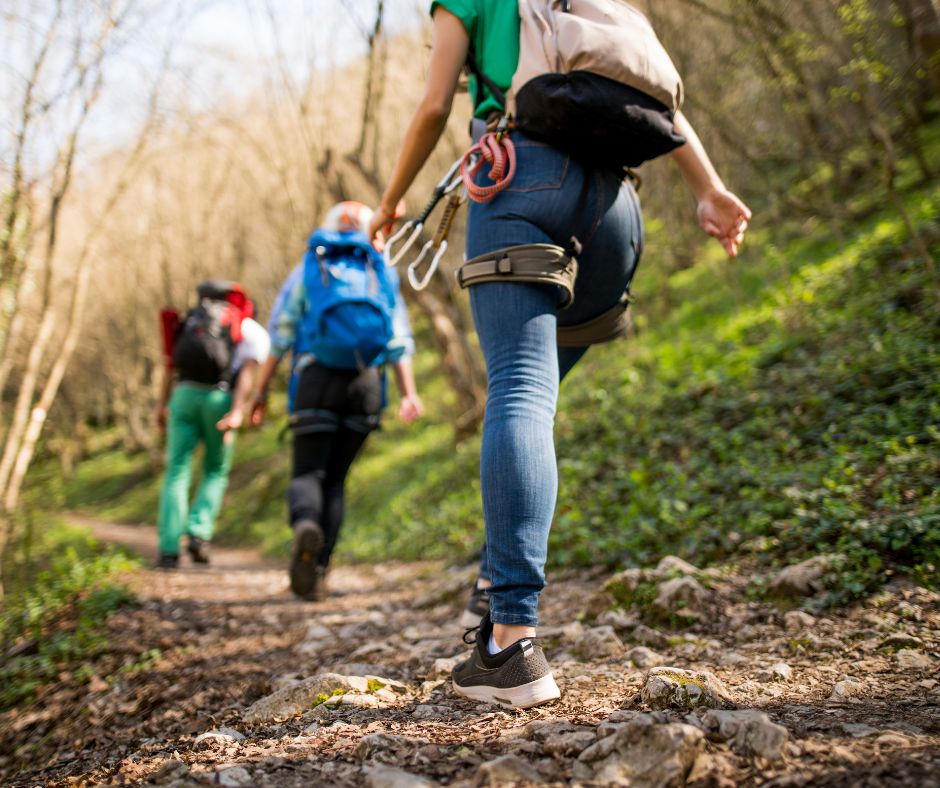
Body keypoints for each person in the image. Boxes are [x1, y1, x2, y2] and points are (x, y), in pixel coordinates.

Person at [368, 2, 751, 709]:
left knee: (519, 390)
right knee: (531, 394)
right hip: (616, 212)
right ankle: (494, 580)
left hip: (518, 179)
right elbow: (658, 92)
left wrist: (391, 202)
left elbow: (430, 107)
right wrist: (709, 187)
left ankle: (510, 642)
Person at [252, 201, 423, 601]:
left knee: (309, 472)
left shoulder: (311, 266)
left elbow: (281, 332)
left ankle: (305, 526)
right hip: (365, 383)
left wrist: (260, 392)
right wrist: (410, 393)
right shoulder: (381, 269)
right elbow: (398, 340)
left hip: (316, 379)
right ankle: (321, 569)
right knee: (337, 480)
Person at [155, 281, 270, 568]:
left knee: (177, 471)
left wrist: (161, 404)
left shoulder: (191, 320)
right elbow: (246, 372)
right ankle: (198, 533)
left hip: (182, 396)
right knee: (216, 470)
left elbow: (170, 364)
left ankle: (169, 549)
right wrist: (237, 410)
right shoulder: (246, 327)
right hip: (218, 399)